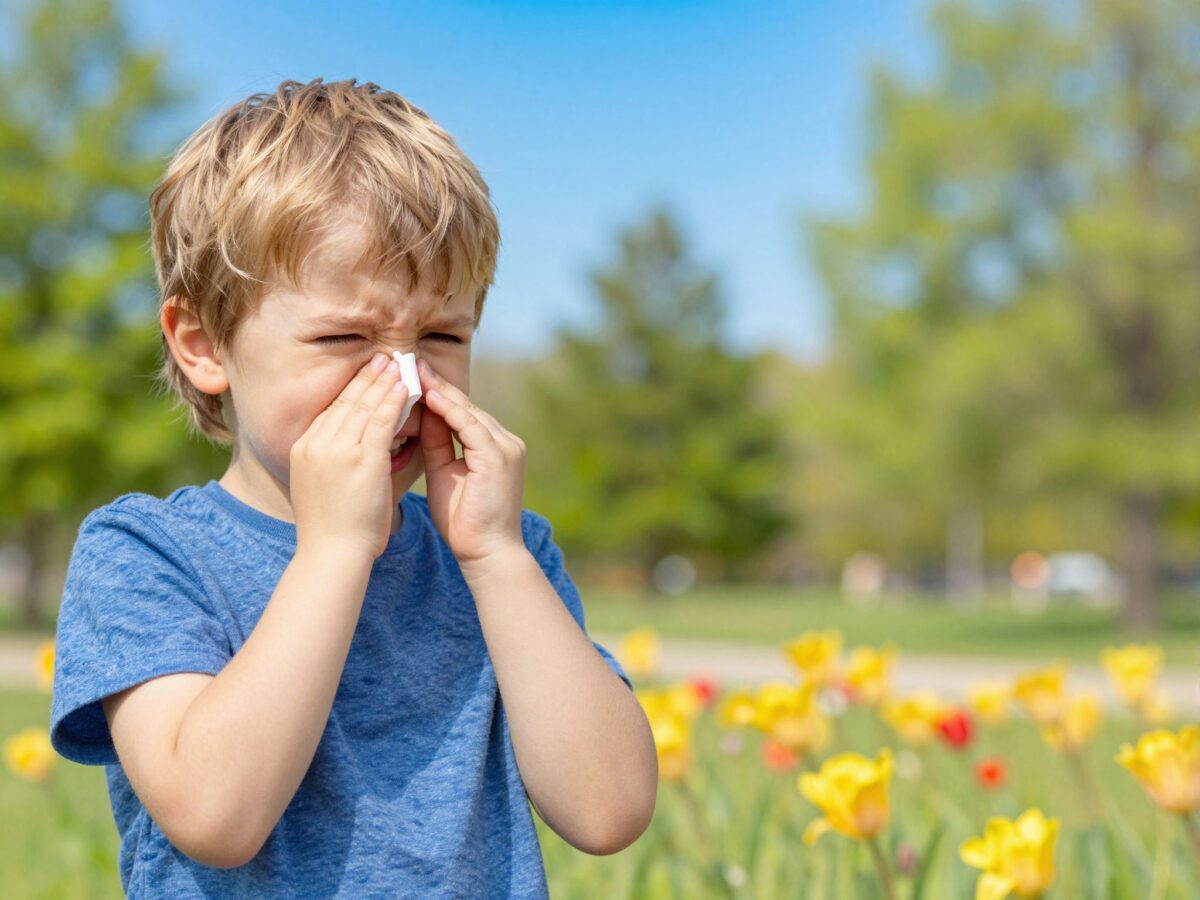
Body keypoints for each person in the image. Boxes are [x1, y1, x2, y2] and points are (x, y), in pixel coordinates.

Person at [48, 78, 657, 898]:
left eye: (441, 335)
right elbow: (215, 816)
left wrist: (498, 558)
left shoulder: (502, 554)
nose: (404, 381)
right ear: (203, 343)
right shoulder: (145, 555)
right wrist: (333, 551)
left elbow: (608, 811)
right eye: (343, 336)